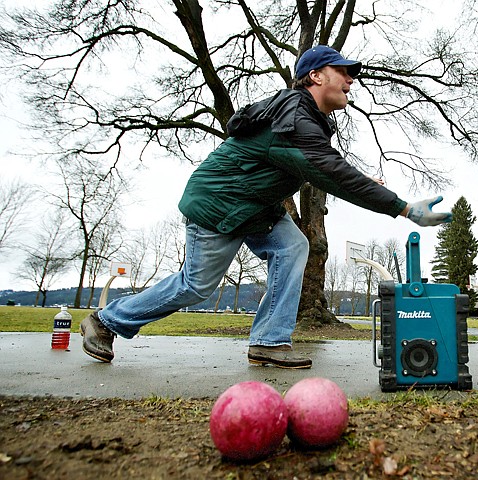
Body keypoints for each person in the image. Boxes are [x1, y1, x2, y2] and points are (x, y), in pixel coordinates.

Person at [80, 45, 453, 369]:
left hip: (255, 207)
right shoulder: (295, 116)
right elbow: (328, 170)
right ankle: (106, 322)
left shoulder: (305, 119)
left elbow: (324, 165)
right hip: (220, 202)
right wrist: (403, 208)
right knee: (196, 285)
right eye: (343, 72)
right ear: (316, 76)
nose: (351, 80)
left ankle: (269, 341)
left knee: (293, 245)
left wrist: (365, 183)